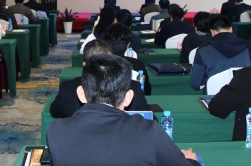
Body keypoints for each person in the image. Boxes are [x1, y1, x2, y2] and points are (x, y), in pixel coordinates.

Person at [46, 53, 199, 166]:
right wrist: (191, 160)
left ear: (81, 94)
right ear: (128, 97)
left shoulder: (56, 130)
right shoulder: (148, 132)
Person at [50, 40, 150, 118]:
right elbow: (149, 119)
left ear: (84, 65)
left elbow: (54, 112)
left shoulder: (67, 88)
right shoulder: (132, 87)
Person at [190, 15, 251, 92]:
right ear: (231, 29)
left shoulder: (202, 50)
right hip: (244, 94)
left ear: (212, 32)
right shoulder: (249, 47)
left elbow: (196, 84)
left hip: (214, 96)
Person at [103, 23, 152, 95]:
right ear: (128, 45)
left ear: (105, 43)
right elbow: (146, 91)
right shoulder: (138, 65)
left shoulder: (98, 65)